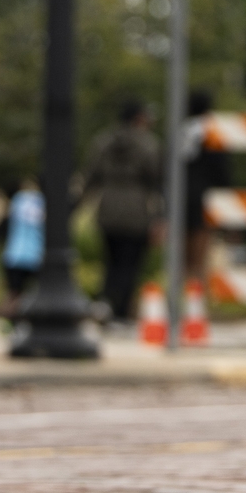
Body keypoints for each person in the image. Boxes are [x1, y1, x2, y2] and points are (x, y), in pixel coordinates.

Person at [81, 99, 163, 325]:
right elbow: (158, 181)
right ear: (139, 119)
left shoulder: (102, 141)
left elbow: (90, 177)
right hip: (136, 210)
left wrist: (77, 205)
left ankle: (105, 305)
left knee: (110, 261)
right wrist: (160, 216)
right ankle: (122, 312)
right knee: (131, 263)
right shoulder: (148, 144)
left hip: (107, 207)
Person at [181, 91, 231, 301]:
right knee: (200, 254)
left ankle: (182, 297)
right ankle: (197, 300)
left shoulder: (181, 130)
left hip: (181, 194)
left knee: (183, 253)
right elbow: (221, 168)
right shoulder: (211, 132)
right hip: (204, 194)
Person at [0, 178, 45, 302]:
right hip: (36, 255)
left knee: (13, 293)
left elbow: (4, 226)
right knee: (39, 294)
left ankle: (8, 319)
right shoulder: (43, 201)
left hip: (15, 254)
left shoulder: (17, 200)